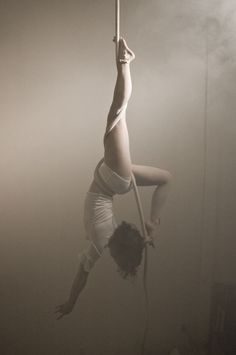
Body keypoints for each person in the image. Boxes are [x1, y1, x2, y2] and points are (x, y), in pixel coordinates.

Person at [55, 38, 171, 320]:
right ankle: (126, 62)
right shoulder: (100, 242)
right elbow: (82, 276)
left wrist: (148, 234)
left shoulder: (108, 237)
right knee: (117, 113)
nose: (114, 261)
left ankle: (154, 221)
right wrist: (71, 301)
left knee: (167, 177)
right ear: (118, 251)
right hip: (113, 178)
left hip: (117, 183)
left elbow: (85, 275)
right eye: (119, 260)